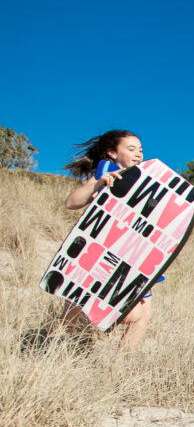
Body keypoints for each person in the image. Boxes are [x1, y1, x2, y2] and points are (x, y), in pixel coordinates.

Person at [61, 130, 152, 350]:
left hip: (132, 255)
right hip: (98, 253)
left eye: (140, 150)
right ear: (112, 153)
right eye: (131, 149)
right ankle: (55, 348)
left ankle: (119, 372)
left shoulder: (148, 181)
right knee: (75, 302)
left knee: (143, 315)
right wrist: (98, 184)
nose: (138, 154)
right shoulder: (107, 170)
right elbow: (71, 202)